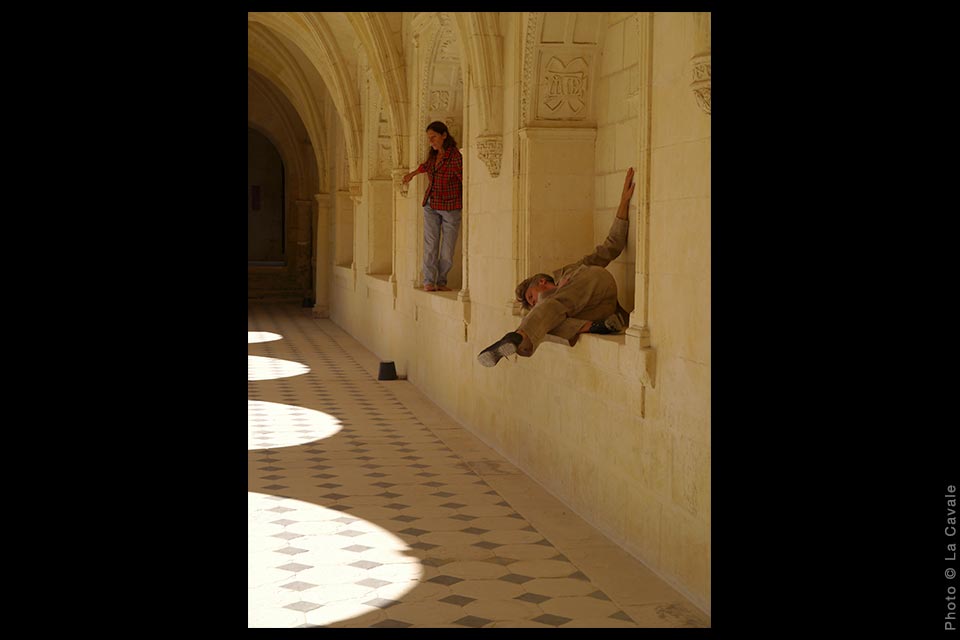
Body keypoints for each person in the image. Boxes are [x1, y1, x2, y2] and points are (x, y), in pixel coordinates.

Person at [477, 167, 636, 367]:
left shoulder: (570, 272)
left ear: (541, 281)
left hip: (599, 285)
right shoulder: (552, 309)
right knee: (546, 324)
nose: (534, 303)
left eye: (530, 297)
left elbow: (611, 246)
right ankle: (595, 327)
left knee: (547, 307)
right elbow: (545, 310)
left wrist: (623, 201)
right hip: (602, 313)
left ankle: (520, 338)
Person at [401, 121, 463, 292]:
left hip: (451, 206)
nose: (431, 141)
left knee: (447, 249)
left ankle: (441, 281)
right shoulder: (434, 156)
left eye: (434, 137)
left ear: (444, 135)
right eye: (429, 138)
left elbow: (465, 178)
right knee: (430, 244)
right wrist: (412, 174)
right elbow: (425, 167)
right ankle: (429, 281)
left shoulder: (456, 157)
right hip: (431, 204)